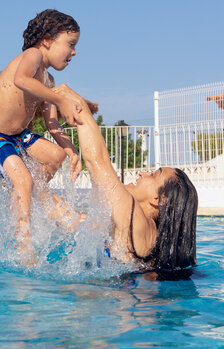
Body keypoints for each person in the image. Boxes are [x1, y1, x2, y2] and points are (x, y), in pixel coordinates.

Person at [0, 9, 83, 262]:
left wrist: (69, 149)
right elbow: (22, 80)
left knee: (55, 155)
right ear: (47, 39)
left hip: (18, 135)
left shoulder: (48, 78)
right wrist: (60, 98)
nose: (74, 52)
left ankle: (35, 197)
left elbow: (51, 121)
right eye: (70, 44)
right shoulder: (32, 55)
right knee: (24, 180)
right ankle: (23, 245)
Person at [53, 84, 198, 271]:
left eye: (153, 175)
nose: (142, 173)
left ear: (159, 199)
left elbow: (97, 161)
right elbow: (69, 219)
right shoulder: (140, 232)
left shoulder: (137, 220)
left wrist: (78, 105)